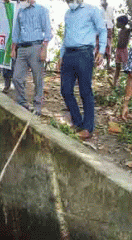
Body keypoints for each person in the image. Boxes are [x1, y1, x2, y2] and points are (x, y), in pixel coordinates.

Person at [58, 0, 107, 140]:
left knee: (85, 91)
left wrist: (101, 51)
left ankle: (87, 128)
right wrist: (61, 56)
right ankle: (78, 122)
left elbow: (102, 30)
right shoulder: (68, 13)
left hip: (84, 53)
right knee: (65, 90)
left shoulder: (92, 10)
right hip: (68, 53)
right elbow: (65, 36)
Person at [11, 0, 52, 116]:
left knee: (37, 78)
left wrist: (44, 48)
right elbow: (16, 31)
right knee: (16, 77)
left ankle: (37, 106)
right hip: (22, 48)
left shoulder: (42, 10)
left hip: (36, 47)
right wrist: (13, 49)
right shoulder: (20, 11)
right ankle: (22, 103)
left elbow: (48, 31)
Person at [113, 15, 131, 88]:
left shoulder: (127, 30)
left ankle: (128, 84)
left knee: (126, 68)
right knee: (117, 67)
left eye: (118, 22)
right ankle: (115, 84)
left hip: (123, 51)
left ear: (123, 23)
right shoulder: (120, 31)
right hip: (118, 50)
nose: (116, 24)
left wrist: (128, 22)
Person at [99, 0, 114, 70]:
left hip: (109, 28)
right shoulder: (99, 10)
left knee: (108, 46)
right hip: (101, 29)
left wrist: (112, 30)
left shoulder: (111, 8)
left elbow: (112, 19)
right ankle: (99, 65)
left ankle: (108, 64)